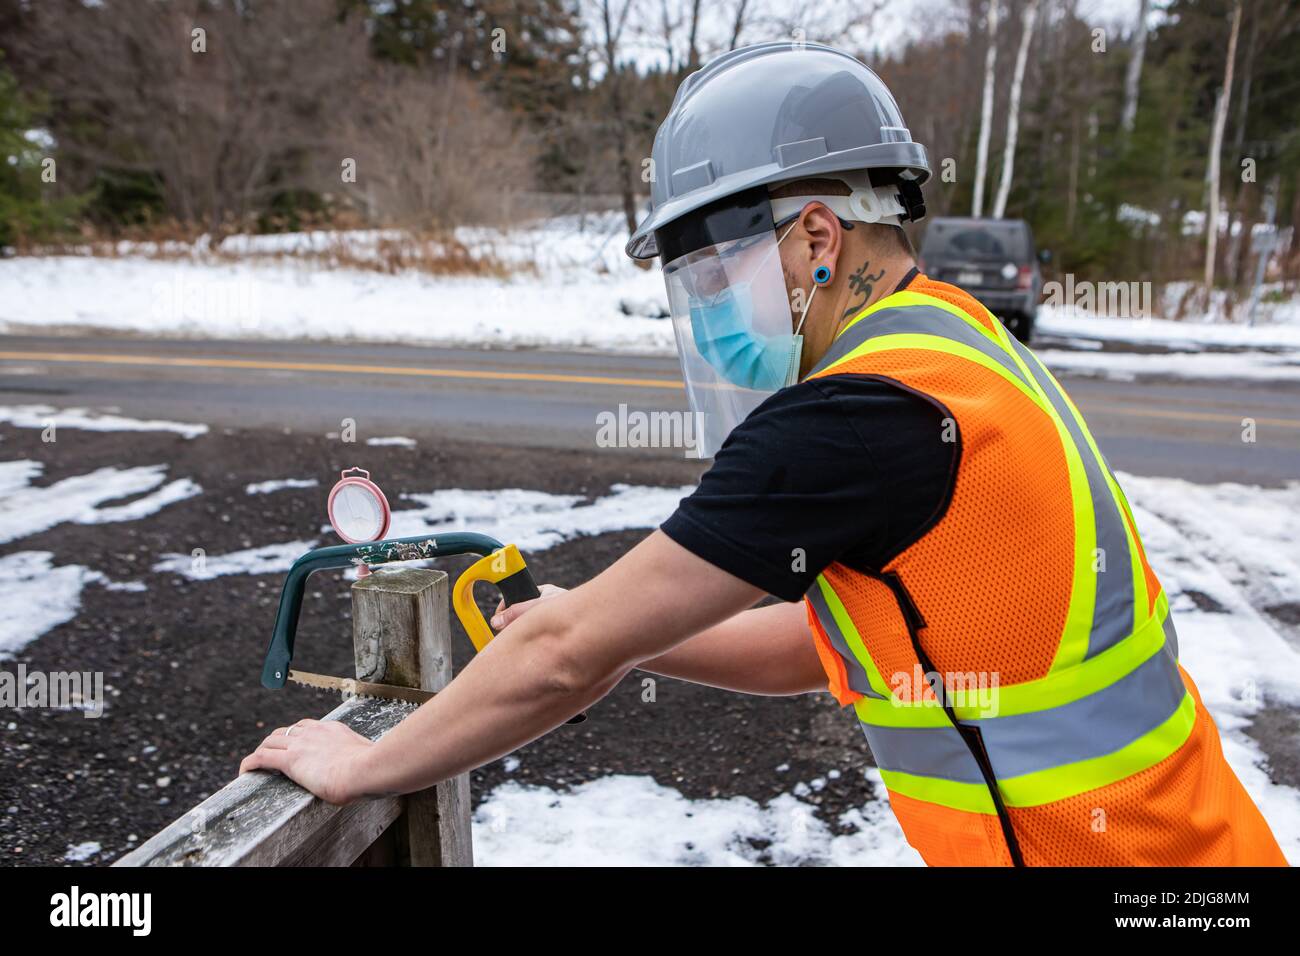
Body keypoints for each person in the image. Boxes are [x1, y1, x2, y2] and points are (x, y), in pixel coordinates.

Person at [241, 41, 1286, 866]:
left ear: (817, 238)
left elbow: (559, 660)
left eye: (711, 270)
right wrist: (634, 631)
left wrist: (367, 764)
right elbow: (824, 641)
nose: (704, 306)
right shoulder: (952, 340)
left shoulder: (854, 416)